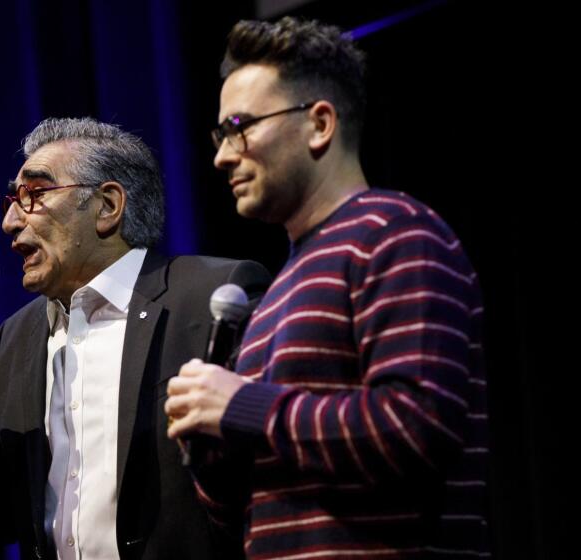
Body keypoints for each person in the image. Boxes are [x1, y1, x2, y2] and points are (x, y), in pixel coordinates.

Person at [165, 17, 491, 558]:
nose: (222, 155)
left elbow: (416, 428)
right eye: (219, 134)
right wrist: (209, 448)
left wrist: (243, 407)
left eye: (240, 126)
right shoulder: (273, 296)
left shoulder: (395, 234)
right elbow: (244, 511)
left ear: (319, 124)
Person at [0, 117, 271, 560]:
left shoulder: (213, 296)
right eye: (11, 201)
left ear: (108, 205)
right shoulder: (17, 335)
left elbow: (268, 476)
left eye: (33, 195)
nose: (10, 222)